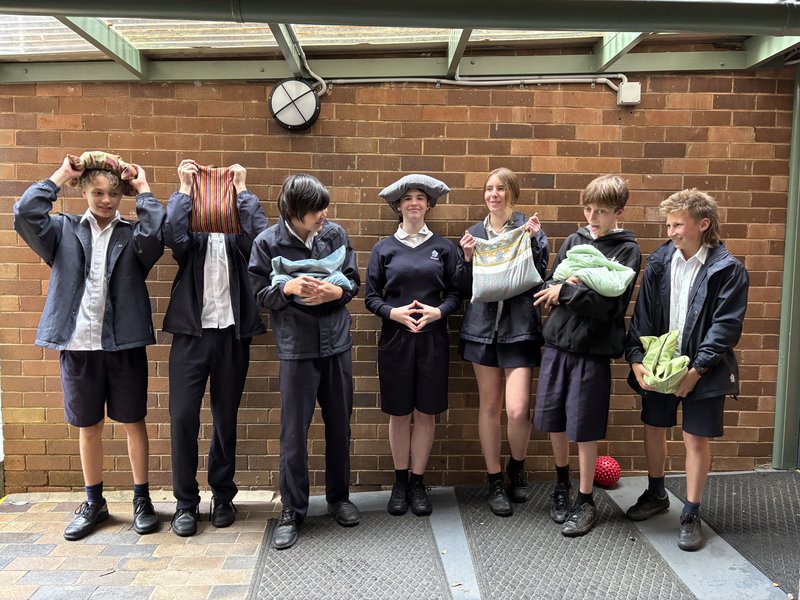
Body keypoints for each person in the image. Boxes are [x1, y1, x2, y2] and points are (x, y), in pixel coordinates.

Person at [13, 156, 164, 541]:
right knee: (88, 425)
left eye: (113, 193)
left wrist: (143, 188)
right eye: (98, 192)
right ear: (83, 191)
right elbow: (25, 212)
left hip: (124, 344)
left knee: (133, 421)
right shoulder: (61, 230)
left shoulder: (133, 235)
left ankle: (142, 499)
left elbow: (157, 232)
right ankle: (94, 503)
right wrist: (62, 174)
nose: (106, 200)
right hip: (78, 346)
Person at [624, 189, 748, 552]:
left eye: (678, 224)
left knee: (695, 438)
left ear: (703, 224)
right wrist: (637, 359)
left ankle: (691, 514)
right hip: (660, 366)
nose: (671, 231)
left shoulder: (728, 269)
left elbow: (725, 327)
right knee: (654, 426)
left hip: (705, 368)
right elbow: (643, 315)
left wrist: (696, 371)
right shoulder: (659, 262)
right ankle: (656, 494)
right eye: (668, 225)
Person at [248, 173, 361, 550]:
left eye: (324, 207)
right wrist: (287, 287)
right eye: (316, 210)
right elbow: (258, 294)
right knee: (294, 432)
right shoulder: (267, 243)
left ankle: (339, 498)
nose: (323, 215)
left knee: (340, 426)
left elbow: (353, 282)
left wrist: (335, 292)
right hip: (296, 347)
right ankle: (292, 511)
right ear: (293, 211)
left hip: (337, 344)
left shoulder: (336, 235)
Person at [163, 160, 268, 537]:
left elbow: (263, 237)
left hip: (232, 338)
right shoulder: (191, 242)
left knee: (225, 418)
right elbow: (171, 233)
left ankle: (223, 496)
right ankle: (185, 503)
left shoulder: (241, 244)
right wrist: (184, 187)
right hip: (190, 338)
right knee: (182, 419)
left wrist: (242, 188)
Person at [533, 174, 641, 537]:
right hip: (557, 344)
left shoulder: (627, 250)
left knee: (584, 426)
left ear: (619, 212)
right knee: (554, 420)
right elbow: (550, 282)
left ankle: (585, 500)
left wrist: (567, 292)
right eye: (588, 209)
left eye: (602, 211)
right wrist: (566, 286)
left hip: (592, 351)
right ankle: (561, 486)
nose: (592, 218)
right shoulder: (574, 240)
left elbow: (610, 305)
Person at [364, 174, 461, 517]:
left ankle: (418, 482)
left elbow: (456, 294)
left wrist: (439, 312)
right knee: (400, 412)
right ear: (398, 206)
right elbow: (370, 297)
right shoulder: (383, 249)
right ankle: (400, 481)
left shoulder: (444, 248)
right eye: (408, 198)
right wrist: (393, 313)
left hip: (433, 340)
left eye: (420, 197)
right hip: (396, 340)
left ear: (429, 205)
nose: (414, 203)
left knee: (425, 412)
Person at [456, 168, 548, 517]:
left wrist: (535, 241)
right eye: (489, 188)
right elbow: (463, 288)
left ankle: (517, 467)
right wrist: (466, 259)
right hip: (482, 331)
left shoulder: (527, 228)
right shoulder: (475, 234)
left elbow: (540, 275)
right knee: (490, 406)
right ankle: (494, 479)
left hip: (519, 329)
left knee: (518, 408)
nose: (493, 194)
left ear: (512, 193)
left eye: (500, 188)